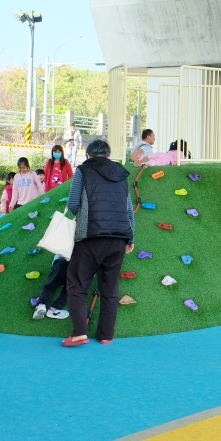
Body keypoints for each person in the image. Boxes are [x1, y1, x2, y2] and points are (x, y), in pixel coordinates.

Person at [62, 139, 135, 347]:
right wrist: (131, 238)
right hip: (119, 238)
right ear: (109, 156)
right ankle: (106, 335)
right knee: (110, 289)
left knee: (77, 284)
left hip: (91, 236)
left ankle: (79, 333)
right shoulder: (121, 174)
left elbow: (73, 203)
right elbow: (128, 209)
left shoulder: (83, 171)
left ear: (88, 155)